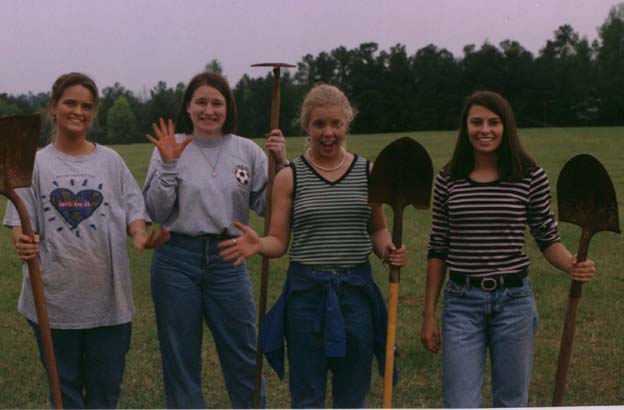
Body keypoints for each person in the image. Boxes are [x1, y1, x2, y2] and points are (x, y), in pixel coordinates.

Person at [218, 83, 407, 408]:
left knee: (353, 393)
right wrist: (259, 243)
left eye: (336, 123)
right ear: (306, 126)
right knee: (307, 395)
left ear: (348, 124)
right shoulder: (290, 176)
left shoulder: (367, 172)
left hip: (357, 296)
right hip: (306, 297)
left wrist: (389, 250)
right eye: (319, 124)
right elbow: (278, 240)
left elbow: (377, 230)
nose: (328, 132)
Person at [419, 90, 596, 408]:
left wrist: (572, 264)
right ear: (466, 127)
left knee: (511, 402)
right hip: (461, 303)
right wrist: (428, 314)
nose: (484, 129)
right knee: (459, 402)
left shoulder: (530, 176)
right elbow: (438, 248)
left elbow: (547, 238)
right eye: (476, 122)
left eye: (493, 122)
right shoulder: (448, 178)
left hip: (513, 303)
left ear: (506, 127)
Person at [3, 72, 167, 409]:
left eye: (87, 106)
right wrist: (22, 241)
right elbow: (20, 222)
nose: (79, 111)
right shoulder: (33, 163)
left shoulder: (111, 162)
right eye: (71, 103)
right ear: (53, 107)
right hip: (52, 304)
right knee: (65, 394)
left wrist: (139, 235)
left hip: (109, 304)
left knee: (105, 395)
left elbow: (133, 211)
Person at [142, 71, 288, 409]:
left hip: (229, 259)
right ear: (189, 108)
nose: (209, 110)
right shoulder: (171, 146)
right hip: (176, 260)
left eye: (217, 103)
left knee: (243, 355)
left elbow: (268, 207)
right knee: (180, 358)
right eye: (201, 102)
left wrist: (280, 164)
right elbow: (156, 212)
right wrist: (167, 164)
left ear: (228, 108)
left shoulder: (247, 151)